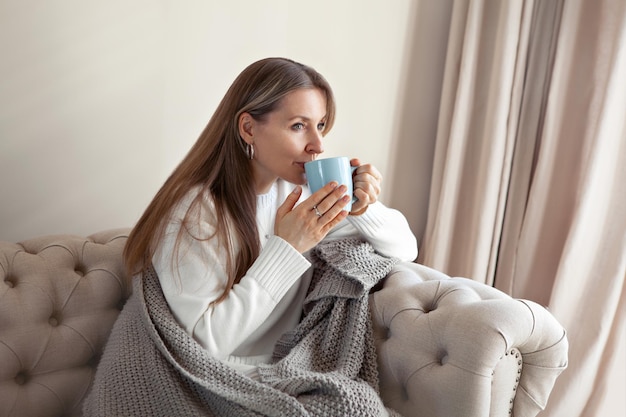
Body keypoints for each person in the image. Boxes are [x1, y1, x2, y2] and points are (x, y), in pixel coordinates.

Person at [122, 57, 418, 380]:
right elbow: (204, 343)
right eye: (298, 126)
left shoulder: (297, 195)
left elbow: (405, 248)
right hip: (217, 380)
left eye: (320, 126)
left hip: (285, 370)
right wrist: (288, 247)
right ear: (248, 128)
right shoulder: (195, 211)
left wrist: (362, 206)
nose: (317, 145)